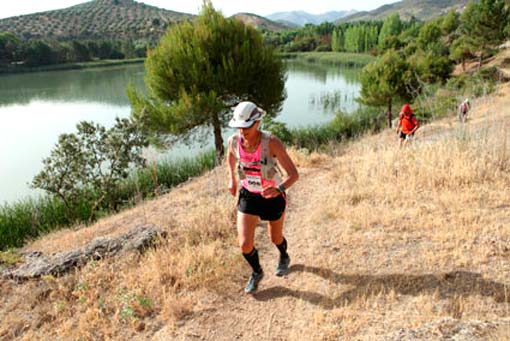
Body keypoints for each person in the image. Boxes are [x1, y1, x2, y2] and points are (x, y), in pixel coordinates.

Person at [227, 101, 299, 293]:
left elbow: (294, 174)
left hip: (272, 197)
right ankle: (257, 272)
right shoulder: (234, 142)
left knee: (275, 238)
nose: (242, 131)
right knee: (244, 244)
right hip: (248, 195)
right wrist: (232, 180)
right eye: (239, 127)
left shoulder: (271, 143)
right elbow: (231, 157)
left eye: (247, 126)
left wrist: (279, 189)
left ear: (257, 122)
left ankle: (284, 255)